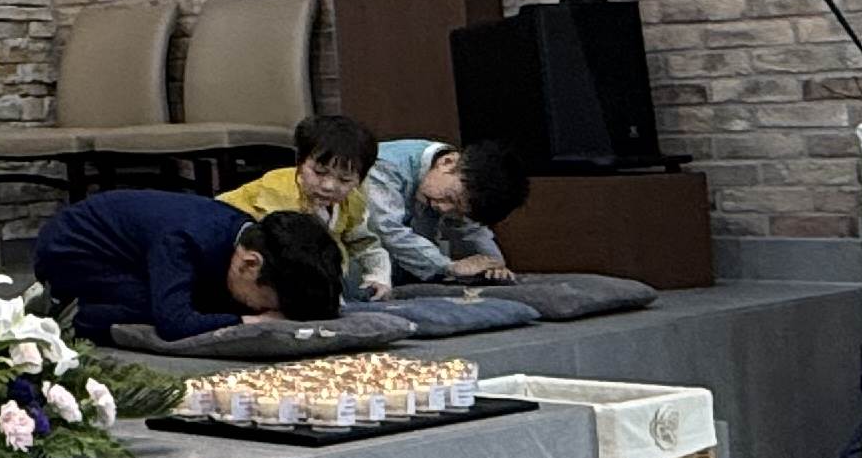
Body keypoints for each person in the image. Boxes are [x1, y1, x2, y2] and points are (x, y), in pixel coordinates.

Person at [31, 190, 346, 345]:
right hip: (73, 249)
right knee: (160, 307)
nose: (269, 312)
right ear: (251, 263)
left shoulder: (247, 236)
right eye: (268, 303)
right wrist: (251, 319)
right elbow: (174, 323)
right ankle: (70, 312)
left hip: (135, 251)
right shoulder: (184, 239)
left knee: (202, 302)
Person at [221, 112, 394, 298]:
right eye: (319, 172)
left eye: (345, 180)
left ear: (360, 180)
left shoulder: (352, 200)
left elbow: (364, 243)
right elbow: (289, 258)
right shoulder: (278, 195)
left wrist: (379, 276)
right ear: (300, 163)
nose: (328, 186)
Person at [368, 135, 531, 284]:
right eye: (450, 198)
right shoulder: (385, 166)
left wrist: (494, 265)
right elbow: (388, 231)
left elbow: (473, 229)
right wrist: (447, 266)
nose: (443, 207)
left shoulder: (453, 177)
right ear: (447, 162)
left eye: (457, 211)